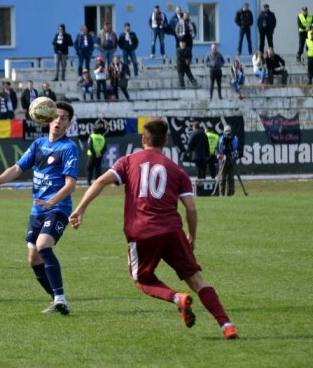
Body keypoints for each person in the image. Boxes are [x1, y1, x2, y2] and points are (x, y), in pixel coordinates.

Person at [69, 118, 238, 340]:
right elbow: (191, 209)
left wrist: (80, 209)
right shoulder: (177, 170)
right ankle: (226, 325)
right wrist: (192, 237)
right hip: (172, 230)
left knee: (142, 280)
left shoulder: (129, 161)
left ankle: (178, 299)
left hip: (142, 231)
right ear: (166, 140)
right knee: (197, 280)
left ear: (143, 139)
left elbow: (100, 181)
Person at [0, 101, 79, 315]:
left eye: (64, 118)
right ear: (48, 118)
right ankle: (58, 300)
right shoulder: (38, 144)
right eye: (56, 116)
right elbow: (17, 168)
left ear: (69, 124)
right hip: (37, 210)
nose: (58, 121)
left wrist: (52, 202)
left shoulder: (69, 148)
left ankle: (59, 297)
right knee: (33, 258)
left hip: (57, 208)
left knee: (43, 246)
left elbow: (70, 185)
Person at [217, 125, 239, 196]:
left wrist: (237, 153)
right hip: (222, 161)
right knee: (222, 179)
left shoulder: (235, 139)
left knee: (231, 178)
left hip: (231, 161)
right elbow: (216, 149)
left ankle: (231, 193)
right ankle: (221, 194)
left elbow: (239, 149)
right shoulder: (220, 139)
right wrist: (218, 155)